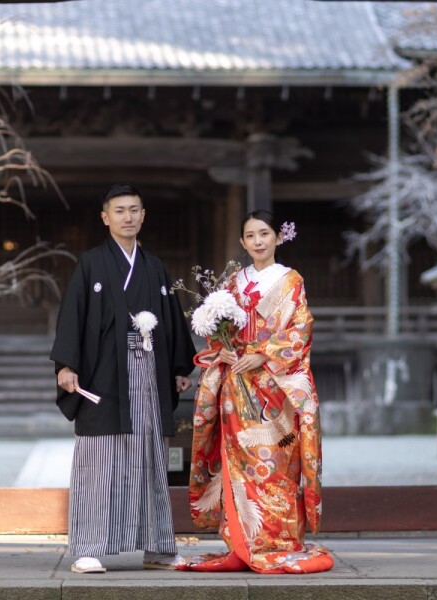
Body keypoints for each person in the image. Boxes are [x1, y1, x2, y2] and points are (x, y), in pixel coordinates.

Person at [51, 183, 196, 574]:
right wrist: (66, 365)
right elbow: (73, 316)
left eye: (134, 210)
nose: (127, 217)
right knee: (100, 457)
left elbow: (171, 320)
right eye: (119, 211)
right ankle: (88, 547)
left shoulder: (154, 267)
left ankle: (158, 547)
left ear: (143, 215)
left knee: (150, 454)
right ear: (105, 217)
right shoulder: (91, 263)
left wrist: (180, 368)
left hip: (149, 369)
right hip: (103, 373)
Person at [180, 210, 333, 574]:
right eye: (251, 236)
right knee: (238, 463)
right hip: (237, 383)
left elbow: (300, 330)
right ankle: (242, 541)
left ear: (278, 238)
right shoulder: (233, 283)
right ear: (243, 243)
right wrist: (226, 349)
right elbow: (223, 331)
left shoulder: (291, 280)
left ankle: (278, 540)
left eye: (264, 234)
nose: (258, 241)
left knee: (277, 463)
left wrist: (262, 355)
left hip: (276, 386)